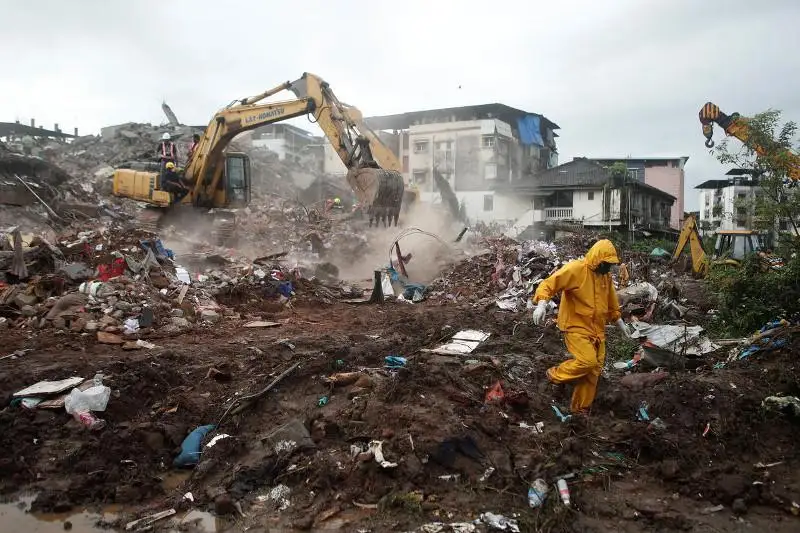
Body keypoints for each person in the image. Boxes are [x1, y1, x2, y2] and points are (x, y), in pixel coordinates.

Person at [532, 239, 630, 414]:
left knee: (594, 369)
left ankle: (579, 409)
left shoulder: (605, 276)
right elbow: (549, 284)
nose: (608, 268)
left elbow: (611, 301)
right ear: (597, 259)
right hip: (575, 325)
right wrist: (541, 304)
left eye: (610, 265)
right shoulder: (576, 269)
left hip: (597, 330)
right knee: (587, 361)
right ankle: (554, 375)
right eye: (606, 264)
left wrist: (619, 321)